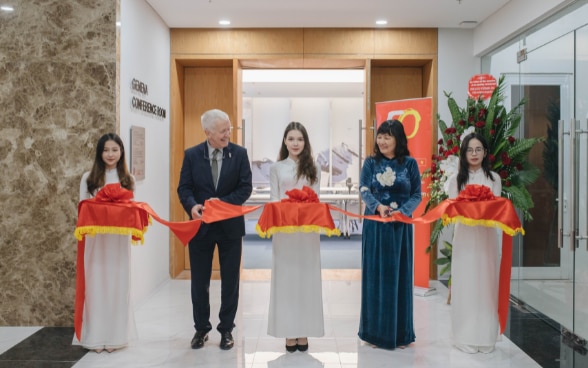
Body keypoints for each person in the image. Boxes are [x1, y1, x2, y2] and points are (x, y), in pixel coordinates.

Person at [177, 108, 253, 350]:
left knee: (230, 281)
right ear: (207, 132)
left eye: (229, 129)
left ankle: (226, 329)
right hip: (201, 229)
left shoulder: (239, 154)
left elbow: (245, 188)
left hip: (230, 228)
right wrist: (192, 207)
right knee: (200, 281)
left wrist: (223, 204)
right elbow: (184, 189)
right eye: (222, 130)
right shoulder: (191, 155)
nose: (227, 134)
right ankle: (201, 329)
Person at [358, 119, 422, 349]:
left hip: (400, 228)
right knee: (375, 277)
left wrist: (402, 212)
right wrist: (378, 207)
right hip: (376, 225)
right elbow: (363, 189)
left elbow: (417, 195)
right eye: (380, 136)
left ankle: (401, 333)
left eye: (388, 136)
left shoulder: (410, 164)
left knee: (400, 276)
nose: (382, 141)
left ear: (398, 139)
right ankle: (374, 333)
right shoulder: (370, 163)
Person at [73, 133, 136, 353]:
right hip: (95, 242)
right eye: (106, 150)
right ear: (100, 153)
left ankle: (116, 337)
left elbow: (131, 212)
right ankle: (95, 336)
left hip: (118, 243)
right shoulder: (88, 178)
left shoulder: (128, 179)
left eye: (114, 150)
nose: (110, 154)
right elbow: (82, 209)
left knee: (118, 285)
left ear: (121, 153)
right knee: (96, 285)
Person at [267, 122, 324, 352]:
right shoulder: (276, 168)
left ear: (305, 142)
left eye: (299, 139)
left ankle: (304, 331)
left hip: (308, 233)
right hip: (285, 233)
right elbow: (273, 200)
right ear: (284, 141)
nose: (295, 143)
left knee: (307, 280)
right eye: (291, 139)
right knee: (286, 281)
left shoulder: (315, 167)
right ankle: (288, 331)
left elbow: (316, 199)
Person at [446, 132, 502, 354]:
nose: (474, 154)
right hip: (465, 238)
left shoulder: (494, 179)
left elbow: (496, 210)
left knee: (486, 284)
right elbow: (452, 212)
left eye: (479, 149)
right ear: (463, 153)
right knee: (466, 283)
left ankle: (486, 336)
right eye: (470, 150)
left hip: (487, 237)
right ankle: (465, 335)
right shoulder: (456, 180)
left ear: (486, 152)